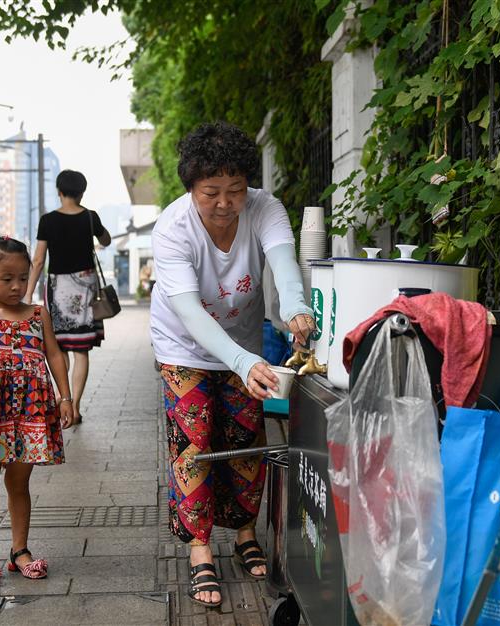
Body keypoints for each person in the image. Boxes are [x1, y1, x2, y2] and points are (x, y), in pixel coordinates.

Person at [150, 122, 315, 607]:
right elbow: (188, 311)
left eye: (236, 190)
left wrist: (296, 309)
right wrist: (244, 361)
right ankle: (201, 551)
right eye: (211, 193)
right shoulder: (173, 229)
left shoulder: (265, 208)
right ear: (191, 189)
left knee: (246, 438)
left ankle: (245, 534)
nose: (225, 203)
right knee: (194, 444)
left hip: (241, 342)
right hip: (183, 346)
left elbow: (284, 264)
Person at [0, 234, 74, 588]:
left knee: (19, 483)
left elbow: (54, 354)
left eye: (23, 278)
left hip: (31, 414)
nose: (16, 286)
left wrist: (65, 398)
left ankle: (19, 550)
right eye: (6, 278)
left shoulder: (39, 314)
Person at [25, 170, 112, 425]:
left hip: (59, 288)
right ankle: (75, 408)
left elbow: (39, 259)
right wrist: (96, 227)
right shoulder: (90, 217)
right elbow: (105, 241)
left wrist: (29, 292)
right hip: (85, 286)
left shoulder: (48, 220)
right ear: (82, 192)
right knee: (81, 349)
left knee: (60, 345)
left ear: (59, 191)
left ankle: (65, 401)